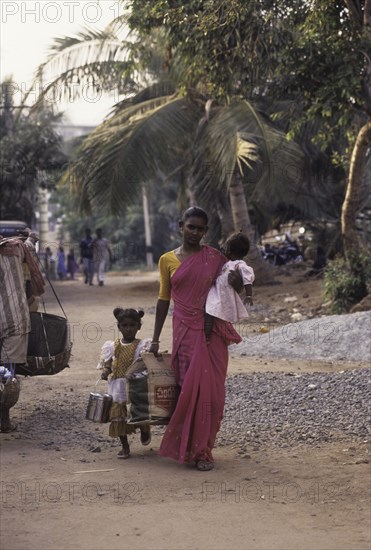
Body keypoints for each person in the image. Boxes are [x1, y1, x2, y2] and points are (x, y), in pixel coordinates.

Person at [149, 206, 242, 471]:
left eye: (201, 229)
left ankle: (203, 451)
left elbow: (231, 289)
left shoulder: (215, 258)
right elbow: (163, 299)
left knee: (212, 392)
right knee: (188, 390)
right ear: (181, 226)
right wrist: (155, 339)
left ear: (206, 231)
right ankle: (186, 446)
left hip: (211, 331)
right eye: (191, 227)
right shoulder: (167, 260)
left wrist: (237, 281)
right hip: (184, 332)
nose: (196, 232)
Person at [0, 234, 45, 432]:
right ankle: (4, 420)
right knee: (7, 373)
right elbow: (30, 248)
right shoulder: (17, 248)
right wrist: (32, 239)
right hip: (14, 320)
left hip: (13, 321)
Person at [98, 307, 152, 459]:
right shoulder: (112, 345)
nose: (128, 329)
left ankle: (144, 429)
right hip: (117, 387)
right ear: (119, 327)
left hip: (135, 385)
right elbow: (108, 363)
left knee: (138, 411)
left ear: (138, 326)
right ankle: (125, 446)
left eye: (132, 325)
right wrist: (105, 371)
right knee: (118, 416)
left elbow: (145, 364)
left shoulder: (143, 345)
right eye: (124, 326)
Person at [204, 232, 255, 341]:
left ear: (229, 250)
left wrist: (249, 295)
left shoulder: (240, 265)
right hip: (217, 290)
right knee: (211, 311)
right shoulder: (228, 263)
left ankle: (207, 336)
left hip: (223, 293)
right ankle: (215, 335)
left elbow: (247, 278)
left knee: (210, 312)